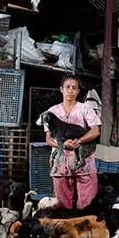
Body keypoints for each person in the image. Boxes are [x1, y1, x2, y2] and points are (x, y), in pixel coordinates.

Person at [43, 75, 102, 210]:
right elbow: (48, 139)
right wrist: (62, 145)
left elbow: (95, 131)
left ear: (78, 91)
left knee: (88, 202)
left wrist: (79, 141)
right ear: (61, 89)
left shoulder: (85, 109)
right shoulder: (52, 112)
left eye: (74, 88)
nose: (70, 90)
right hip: (61, 161)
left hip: (83, 159)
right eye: (67, 87)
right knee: (61, 204)